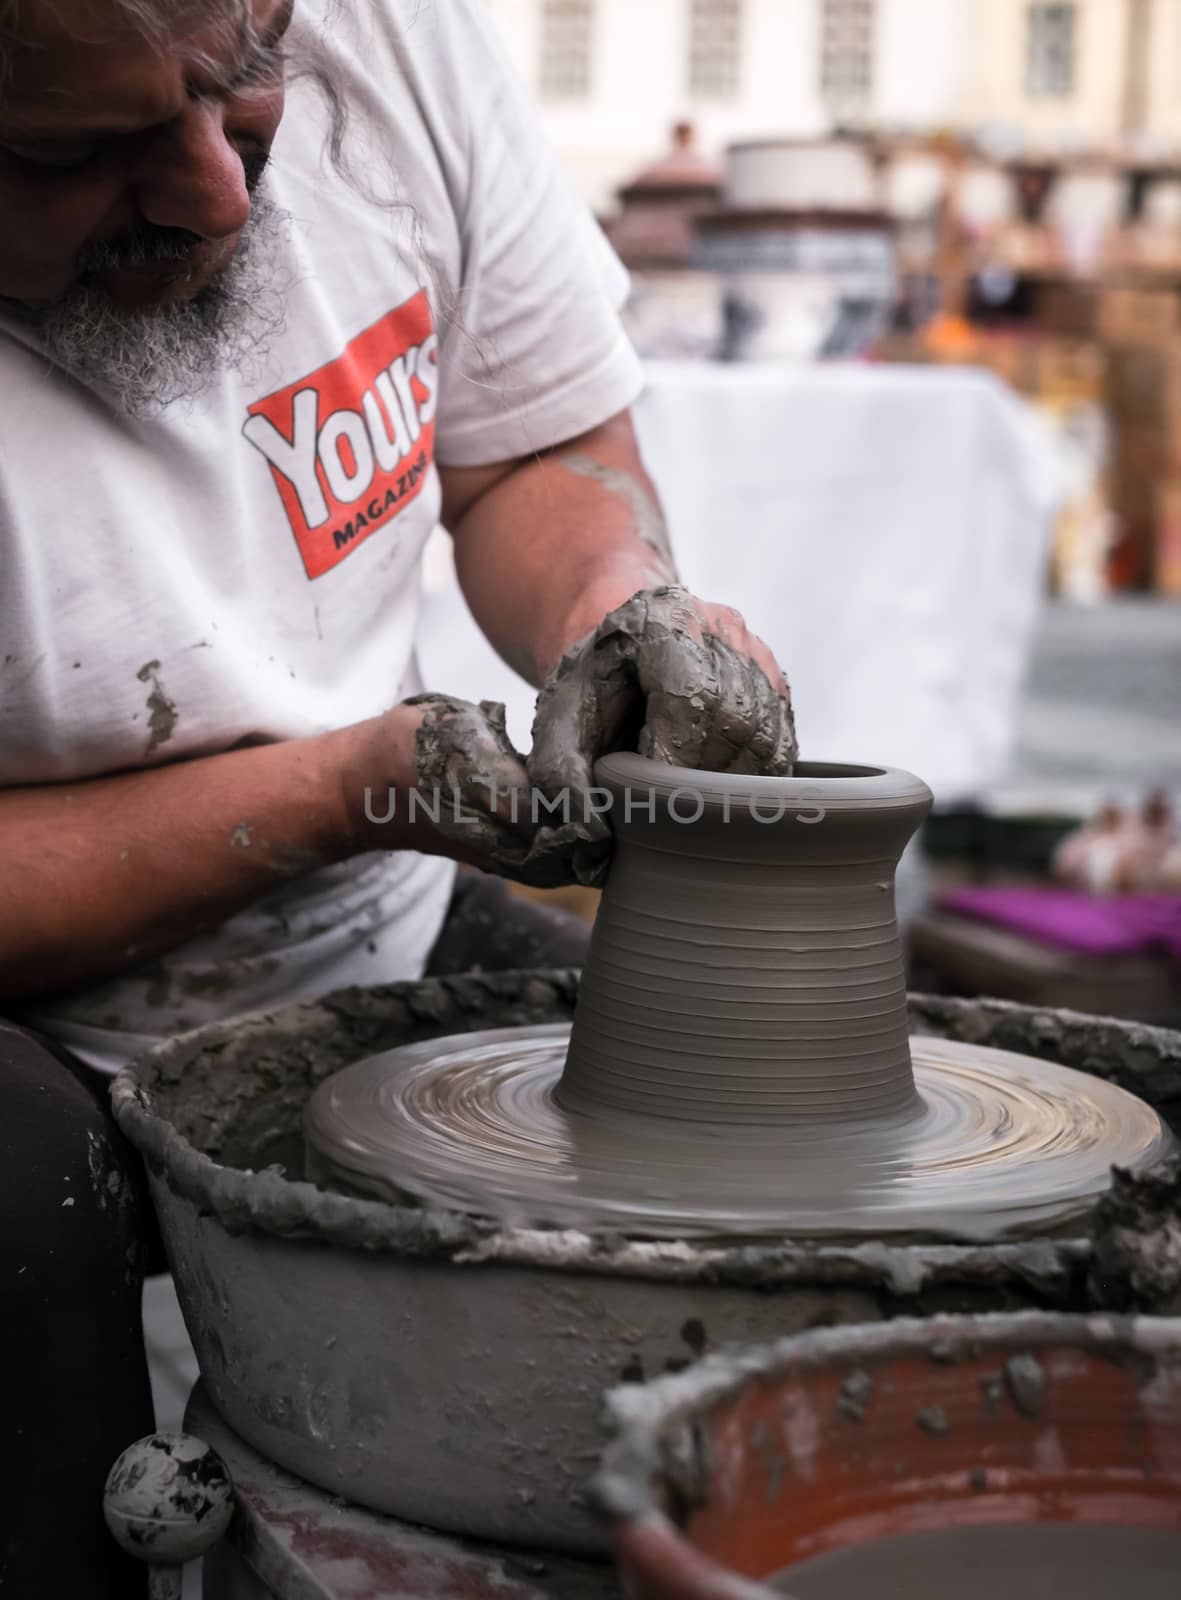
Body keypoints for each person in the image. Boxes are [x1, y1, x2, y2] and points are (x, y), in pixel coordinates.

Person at [0, 0, 795, 1589]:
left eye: (245, 82)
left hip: (377, 902)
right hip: (36, 1017)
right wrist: (346, 788)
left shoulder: (382, 29)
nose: (222, 193)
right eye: (77, 150)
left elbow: (530, 456)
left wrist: (618, 612)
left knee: (766, 1134)